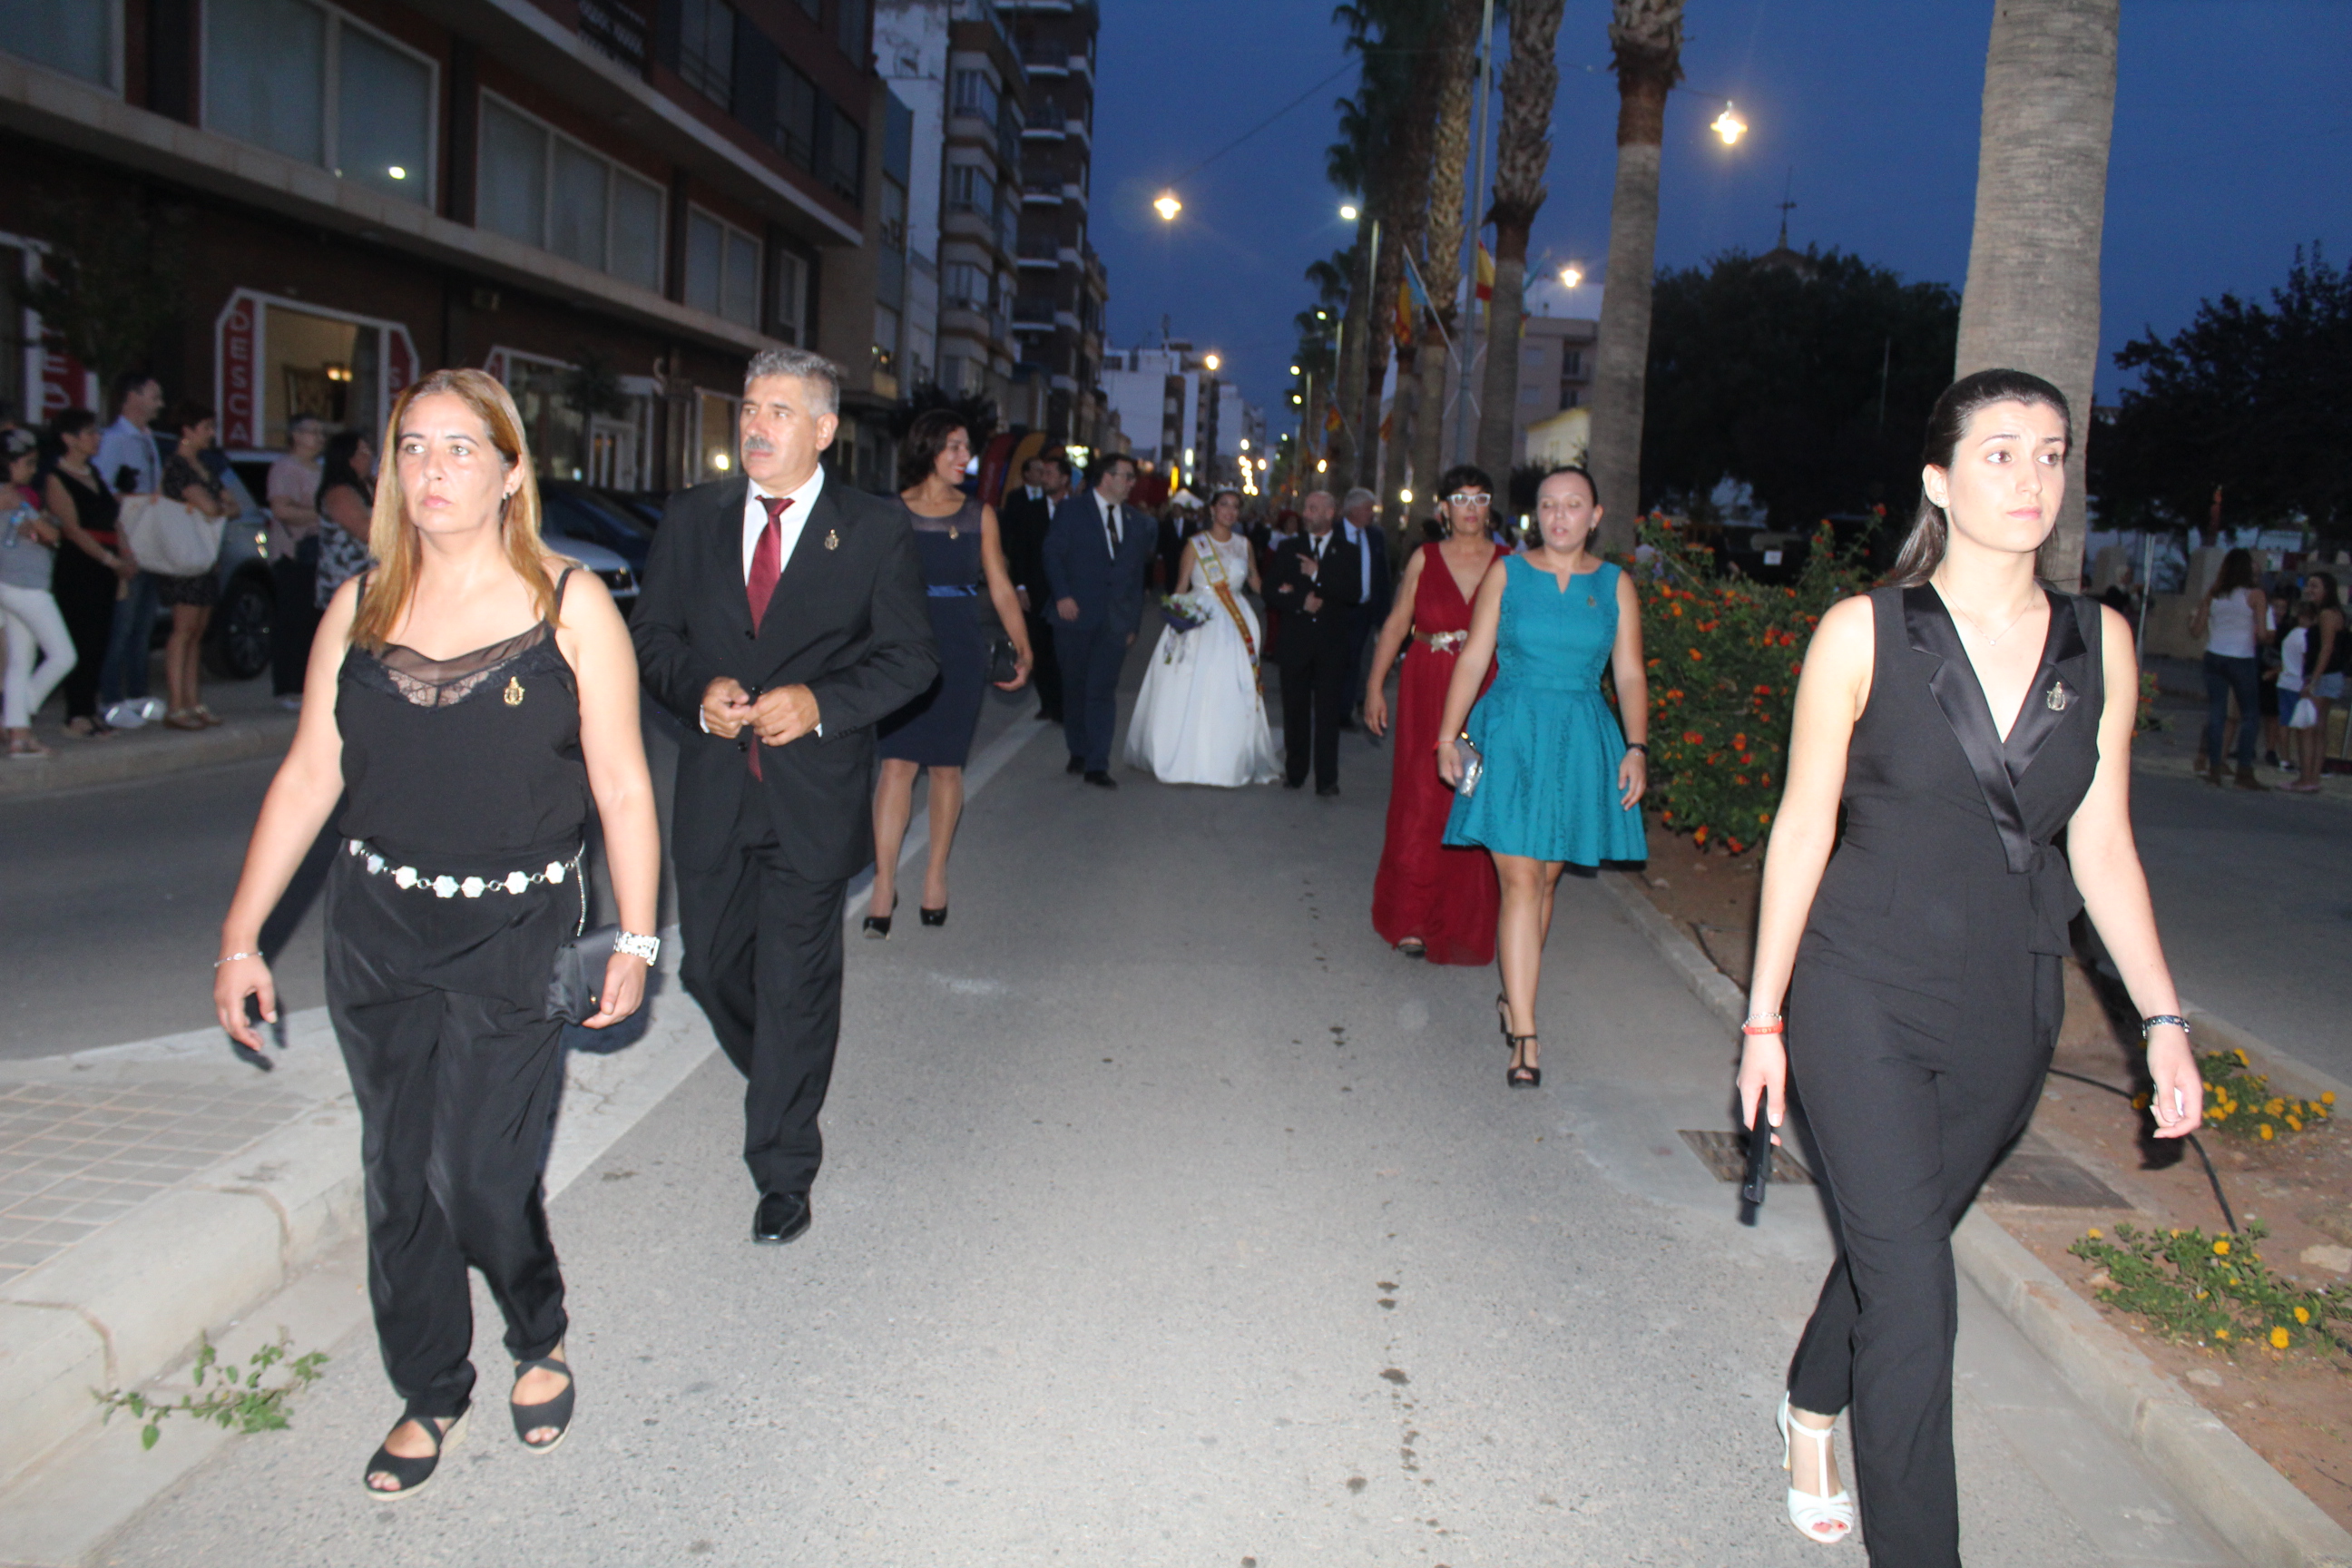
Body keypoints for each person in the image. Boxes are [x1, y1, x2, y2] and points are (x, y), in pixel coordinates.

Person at [1735, 369, 2205, 1559]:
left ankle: (1810, 1402)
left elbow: (2103, 844)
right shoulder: (1864, 632)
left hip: (2010, 1001)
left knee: (1897, 1248)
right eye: (2001, 453)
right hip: (1860, 991)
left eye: (2051, 453)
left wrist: (2162, 1022)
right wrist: (1764, 1019)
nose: (2032, 478)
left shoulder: (2100, 642)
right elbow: (1802, 826)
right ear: (1939, 481)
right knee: (1918, 1296)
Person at [213, 368, 661, 1497]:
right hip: (377, 928)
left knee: (480, 1176)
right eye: (413, 446)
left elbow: (621, 785)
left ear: (510, 472)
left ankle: (536, 1327)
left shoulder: (571, 605)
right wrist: (241, 937)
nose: (431, 469)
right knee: (401, 1172)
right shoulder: (360, 606)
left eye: (461, 448)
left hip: (517, 930)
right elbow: (309, 776)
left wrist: (637, 937)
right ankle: (430, 1387)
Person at [632, 347, 936, 1247]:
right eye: (750, 409)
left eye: (779, 411)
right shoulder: (694, 517)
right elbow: (650, 637)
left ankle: (783, 1169)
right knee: (710, 968)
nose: (756, 426)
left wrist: (821, 704)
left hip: (812, 795)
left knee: (796, 983)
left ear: (824, 429)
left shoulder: (872, 529)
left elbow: (912, 658)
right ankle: (785, 1069)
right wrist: (697, 690)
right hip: (716, 790)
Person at [1436, 467, 1647, 1087]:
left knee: (1548, 879)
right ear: (1536, 514)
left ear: (1595, 516)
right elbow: (1475, 655)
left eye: (1573, 505)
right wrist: (1447, 736)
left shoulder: (1615, 584)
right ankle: (1526, 1033)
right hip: (1511, 732)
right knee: (1521, 879)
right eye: (1549, 505)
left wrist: (1636, 747)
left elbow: (1629, 673)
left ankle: (1515, 994)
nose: (1560, 516)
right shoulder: (1508, 573)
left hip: (1580, 737)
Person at [865, 411, 1033, 936]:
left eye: (968, 448)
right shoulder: (890, 512)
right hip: (902, 648)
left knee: (945, 767)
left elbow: (999, 585)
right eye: (955, 447)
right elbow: (866, 587)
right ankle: (884, 882)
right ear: (929, 448)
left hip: (959, 648)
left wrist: (1024, 647)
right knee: (896, 765)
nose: (967, 458)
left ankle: (935, 873)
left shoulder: (979, 515)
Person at [1363, 466, 1506, 962]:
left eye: (1480, 499)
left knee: (1474, 798)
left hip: (1487, 689)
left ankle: (1469, 920)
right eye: (1460, 499)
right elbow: (1397, 623)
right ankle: (1412, 918)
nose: (1471, 508)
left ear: (1490, 507)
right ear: (1444, 508)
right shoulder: (1425, 558)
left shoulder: (1510, 563)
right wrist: (1374, 686)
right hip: (1426, 684)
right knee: (1422, 798)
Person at [1124, 486, 1279, 787]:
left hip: (1236, 621)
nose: (1230, 511)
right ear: (1212, 509)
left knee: (1231, 685)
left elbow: (1255, 581)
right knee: (1192, 683)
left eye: (1235, 506)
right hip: (1200, 619)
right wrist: (1175, 618)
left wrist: (1282, 596)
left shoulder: (1244, 544)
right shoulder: (1196, 544)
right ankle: (1186, 755)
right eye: (1224, 505)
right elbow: (1181, 585)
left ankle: (1226, 756)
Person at [1042, 451, 1153, 789]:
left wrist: (1132, 624)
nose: (1132, 484)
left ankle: (1097, 763)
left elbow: (1137, 579)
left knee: (1102, 690)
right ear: (1107, 477)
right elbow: (1052, 554)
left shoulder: (1136, 522)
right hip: (1074, 615)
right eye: (1127, 476)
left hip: (1114, 622)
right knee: (1074, 686)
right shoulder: (1072, 510)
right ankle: (1078, 749)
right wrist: (1062, 595)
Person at [1269, 490, 1364, 797]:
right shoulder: (1288, 547)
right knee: (1294, 710)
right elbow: (1271, 589)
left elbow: (1352, 593)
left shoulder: (1347, 551)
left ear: (1329, 513)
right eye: (1306, 508)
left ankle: (1327, 779)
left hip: (1330, 644)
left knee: (1327, 714)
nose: (1306, 514)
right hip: (1295, 642)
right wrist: (1300, 602)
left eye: (1312, 509)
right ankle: (1295, 772)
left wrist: (1319, 574)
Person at [43, 410, 129, 739]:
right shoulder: (56, 478)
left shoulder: (93, 473)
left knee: (100, 640)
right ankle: (76, 713)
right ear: (69, 438)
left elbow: (113, 518)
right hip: (79, 566)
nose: (97, 438)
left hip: (106, 564)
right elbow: (73, 529)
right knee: (80, 638)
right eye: (90, 433)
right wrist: (109, 560)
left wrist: (126, 555)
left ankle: (90, 709)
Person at [152, 402, 229, 730]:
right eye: (206, 427)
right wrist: (216, 506)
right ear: (187, 430)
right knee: (183, 630)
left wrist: (217, 506)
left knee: (197, 632)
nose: (211, 433)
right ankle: (176, 704)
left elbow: (231, 505)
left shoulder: (204, 466)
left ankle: (193, 700)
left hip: (205, 555)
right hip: (184, 556)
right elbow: (211, 506)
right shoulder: (178, 467)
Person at [96, 371, 164, 720]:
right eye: (153, 396)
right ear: (132, 397)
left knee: (143, 625)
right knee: (121, 624)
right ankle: (110, 696)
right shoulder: (114, 441)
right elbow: (103, 491)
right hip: (127, 542)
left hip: (149, 543)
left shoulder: (148, 440)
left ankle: (138, 692)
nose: (159, 403)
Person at [0, 430, 73, 755]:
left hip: (14, 584)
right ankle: (16, 713)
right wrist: (41, 524)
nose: (33, 470)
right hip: (25, 587)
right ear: (9, 463)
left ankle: (20, 736)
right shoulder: (10, 497)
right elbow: (52, 535)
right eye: (27, 463)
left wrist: (39, 526)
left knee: (21, 660)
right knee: (63, 656)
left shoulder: (13, 496)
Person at [2189, 546, 2268, 789]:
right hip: (2241, 657)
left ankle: (2214, 768)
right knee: (2250, 715)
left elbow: (2196, 631)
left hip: (2214, 655)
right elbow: (2263, 635)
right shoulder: (2255, 596)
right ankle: (2244, 770)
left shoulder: (2214, 594)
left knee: (2217, 713)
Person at [999, 451, 1066, 723]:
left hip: (1067, 594)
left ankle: (1063, 704)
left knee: (1063, 650)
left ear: (1064, 479)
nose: (1044, 478)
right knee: (1038, 647)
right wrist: (1020, 586)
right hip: (1036, 591)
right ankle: (1047, 702)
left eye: (1050, 473)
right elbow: (1020, 550)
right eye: (1042, 472)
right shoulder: (1031, 509)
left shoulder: (1077, 510)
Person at [267, 414, 327, 709]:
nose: (318, 438)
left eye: (320, 432)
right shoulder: (285, 468)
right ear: (296, 435)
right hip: (294, 552)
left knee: (313, 622)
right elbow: (282, 509)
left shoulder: (321, 469)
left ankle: (307, 685)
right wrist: (320, 514)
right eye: (312, 431)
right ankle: (287, 686)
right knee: (292, 620)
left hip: (320, 554)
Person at [1338, 487, 1392, 730]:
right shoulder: (1334, 533)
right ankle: (1337, 706)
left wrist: (1384, 614)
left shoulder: (1376, 536)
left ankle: (1349, 706)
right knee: (1341, 660)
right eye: (1369, 508)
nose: (1372, 513)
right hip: (1339, 610)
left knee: (1361, 661)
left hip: (1366, 610)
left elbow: (1383, 575)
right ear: (1355, 509)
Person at [2285, 572, 2344, 795]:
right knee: (2319, 728)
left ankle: (2306, 777)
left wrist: (2313, 680)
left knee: (2307, 728)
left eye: (2315, 586)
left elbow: (2326, 648)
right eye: (2309, 585)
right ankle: (2313, 777)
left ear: (2326, 590)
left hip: (2323, 676)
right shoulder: (2334, 613)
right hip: (2332, 675)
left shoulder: (2327, 615)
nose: (2309, 590)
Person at [314, 431, 377, 611]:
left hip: (370, 585)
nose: (369, 457)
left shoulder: (369, 485)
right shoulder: (340, 493)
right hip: (347, 582)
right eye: (362, 452)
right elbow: (365, 532)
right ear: (348, 459)